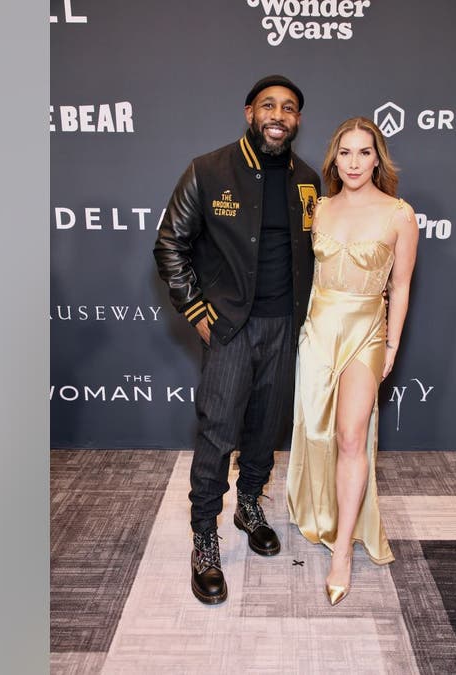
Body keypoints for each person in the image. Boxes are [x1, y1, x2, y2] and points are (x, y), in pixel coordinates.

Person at [153, 75, 321, 605]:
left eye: (289, 108)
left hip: (285, 327)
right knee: (217, 431)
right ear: (249, 112)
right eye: (268, 105)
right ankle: (205, 536)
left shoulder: (309, 179)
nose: (279, 114)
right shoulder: (208, 170)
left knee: (265, 427)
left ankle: (249, 504)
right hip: (229, 326)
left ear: (297, 120)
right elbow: (169, 244)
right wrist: (198, 310)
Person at [285, 116, 419, 605]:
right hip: (318, 330)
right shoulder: (317, 209)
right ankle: (318, 509)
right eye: (346, 152)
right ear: (334, 159)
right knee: (316, 432)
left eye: (365, 152)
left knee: (350, 436)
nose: (355, 162)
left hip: (366, 331)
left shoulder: (399, 214)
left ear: (377, 158)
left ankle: (342, 549)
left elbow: (400, 287)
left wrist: (392, 344)